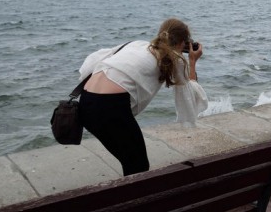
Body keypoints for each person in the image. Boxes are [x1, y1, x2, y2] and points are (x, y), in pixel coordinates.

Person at [78, 18, 208, 176]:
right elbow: (192, 93)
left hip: (85, 101)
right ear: (182, 43)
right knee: (138, 165)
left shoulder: (137, 44)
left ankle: (129, 194)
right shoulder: (173, 58)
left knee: (130, 160)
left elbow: (94, 60)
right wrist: (192, 61)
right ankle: (134, 199)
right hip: (110, 106)